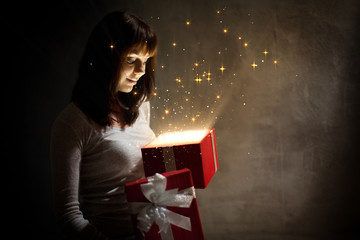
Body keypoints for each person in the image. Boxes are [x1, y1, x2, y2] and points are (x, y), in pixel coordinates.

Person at [50, 11, 158, 240]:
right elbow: (68, 217)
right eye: (132, 60)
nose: (141, 71)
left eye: (146, 61)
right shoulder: (73, 122)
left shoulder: (141, 108)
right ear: (105, 57)